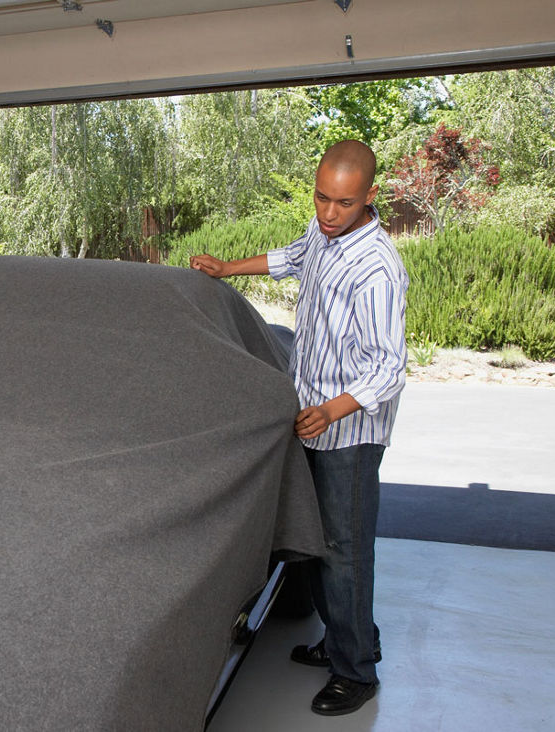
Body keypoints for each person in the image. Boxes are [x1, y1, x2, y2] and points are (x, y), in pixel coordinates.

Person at [189, 139, 408, 717]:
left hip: (348, 434)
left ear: (368, 198)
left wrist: (333, 409)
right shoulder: (323, 234)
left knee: (343, 551)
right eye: (321, 198)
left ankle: (356, 672)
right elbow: (292, 256)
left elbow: (389, 367)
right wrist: (226, 269)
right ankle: (345, 639)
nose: (328, 213)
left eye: (343, 203)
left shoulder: (379, 268)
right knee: (310, 540)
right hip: (308, 417)